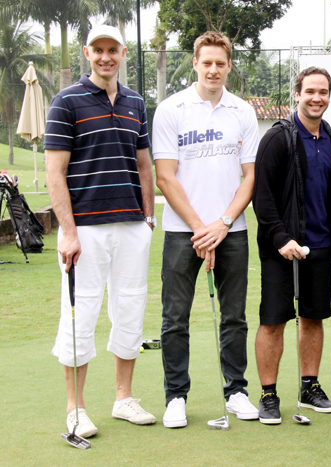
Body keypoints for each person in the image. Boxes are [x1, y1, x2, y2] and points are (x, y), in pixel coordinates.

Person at [45, 24, 156, 438]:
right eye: (99, 50)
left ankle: (123, 398)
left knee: (129, 310)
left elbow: (144, 164)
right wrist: (68, 232)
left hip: (131, 226)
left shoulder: (136, 102)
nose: (106, 57)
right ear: (87, 53)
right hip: (84, 230)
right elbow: (55, 172)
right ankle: (76, 409)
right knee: (81, 314)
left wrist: (147, 218)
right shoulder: (66, 101)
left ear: (123, 52)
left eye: (113, 50)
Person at [152, 31, 259, 428]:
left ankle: (236, 392)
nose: (213, 69)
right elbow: (166, 177)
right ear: (195, 63)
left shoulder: (243, 111)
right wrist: (201, 229)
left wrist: (223, 223)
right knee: (174, 317)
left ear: (229, 66)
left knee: (234, 316)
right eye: (206, 62)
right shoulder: (171, 109)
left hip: (232, 230)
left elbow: (250, 177)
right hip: (183, 232)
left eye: (220, 63)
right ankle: (176, 396)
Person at [252, 67, 331, 424]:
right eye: (310, 91)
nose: (316, 97)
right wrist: (280, 238)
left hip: (319, 245)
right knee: (274, 321)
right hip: (281, 248)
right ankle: (269, 395)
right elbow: (263, 195)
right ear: (297, 94)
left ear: (329, 96)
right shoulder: (278, 137)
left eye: (323, 92)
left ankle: (309, 385)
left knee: (313, 318)